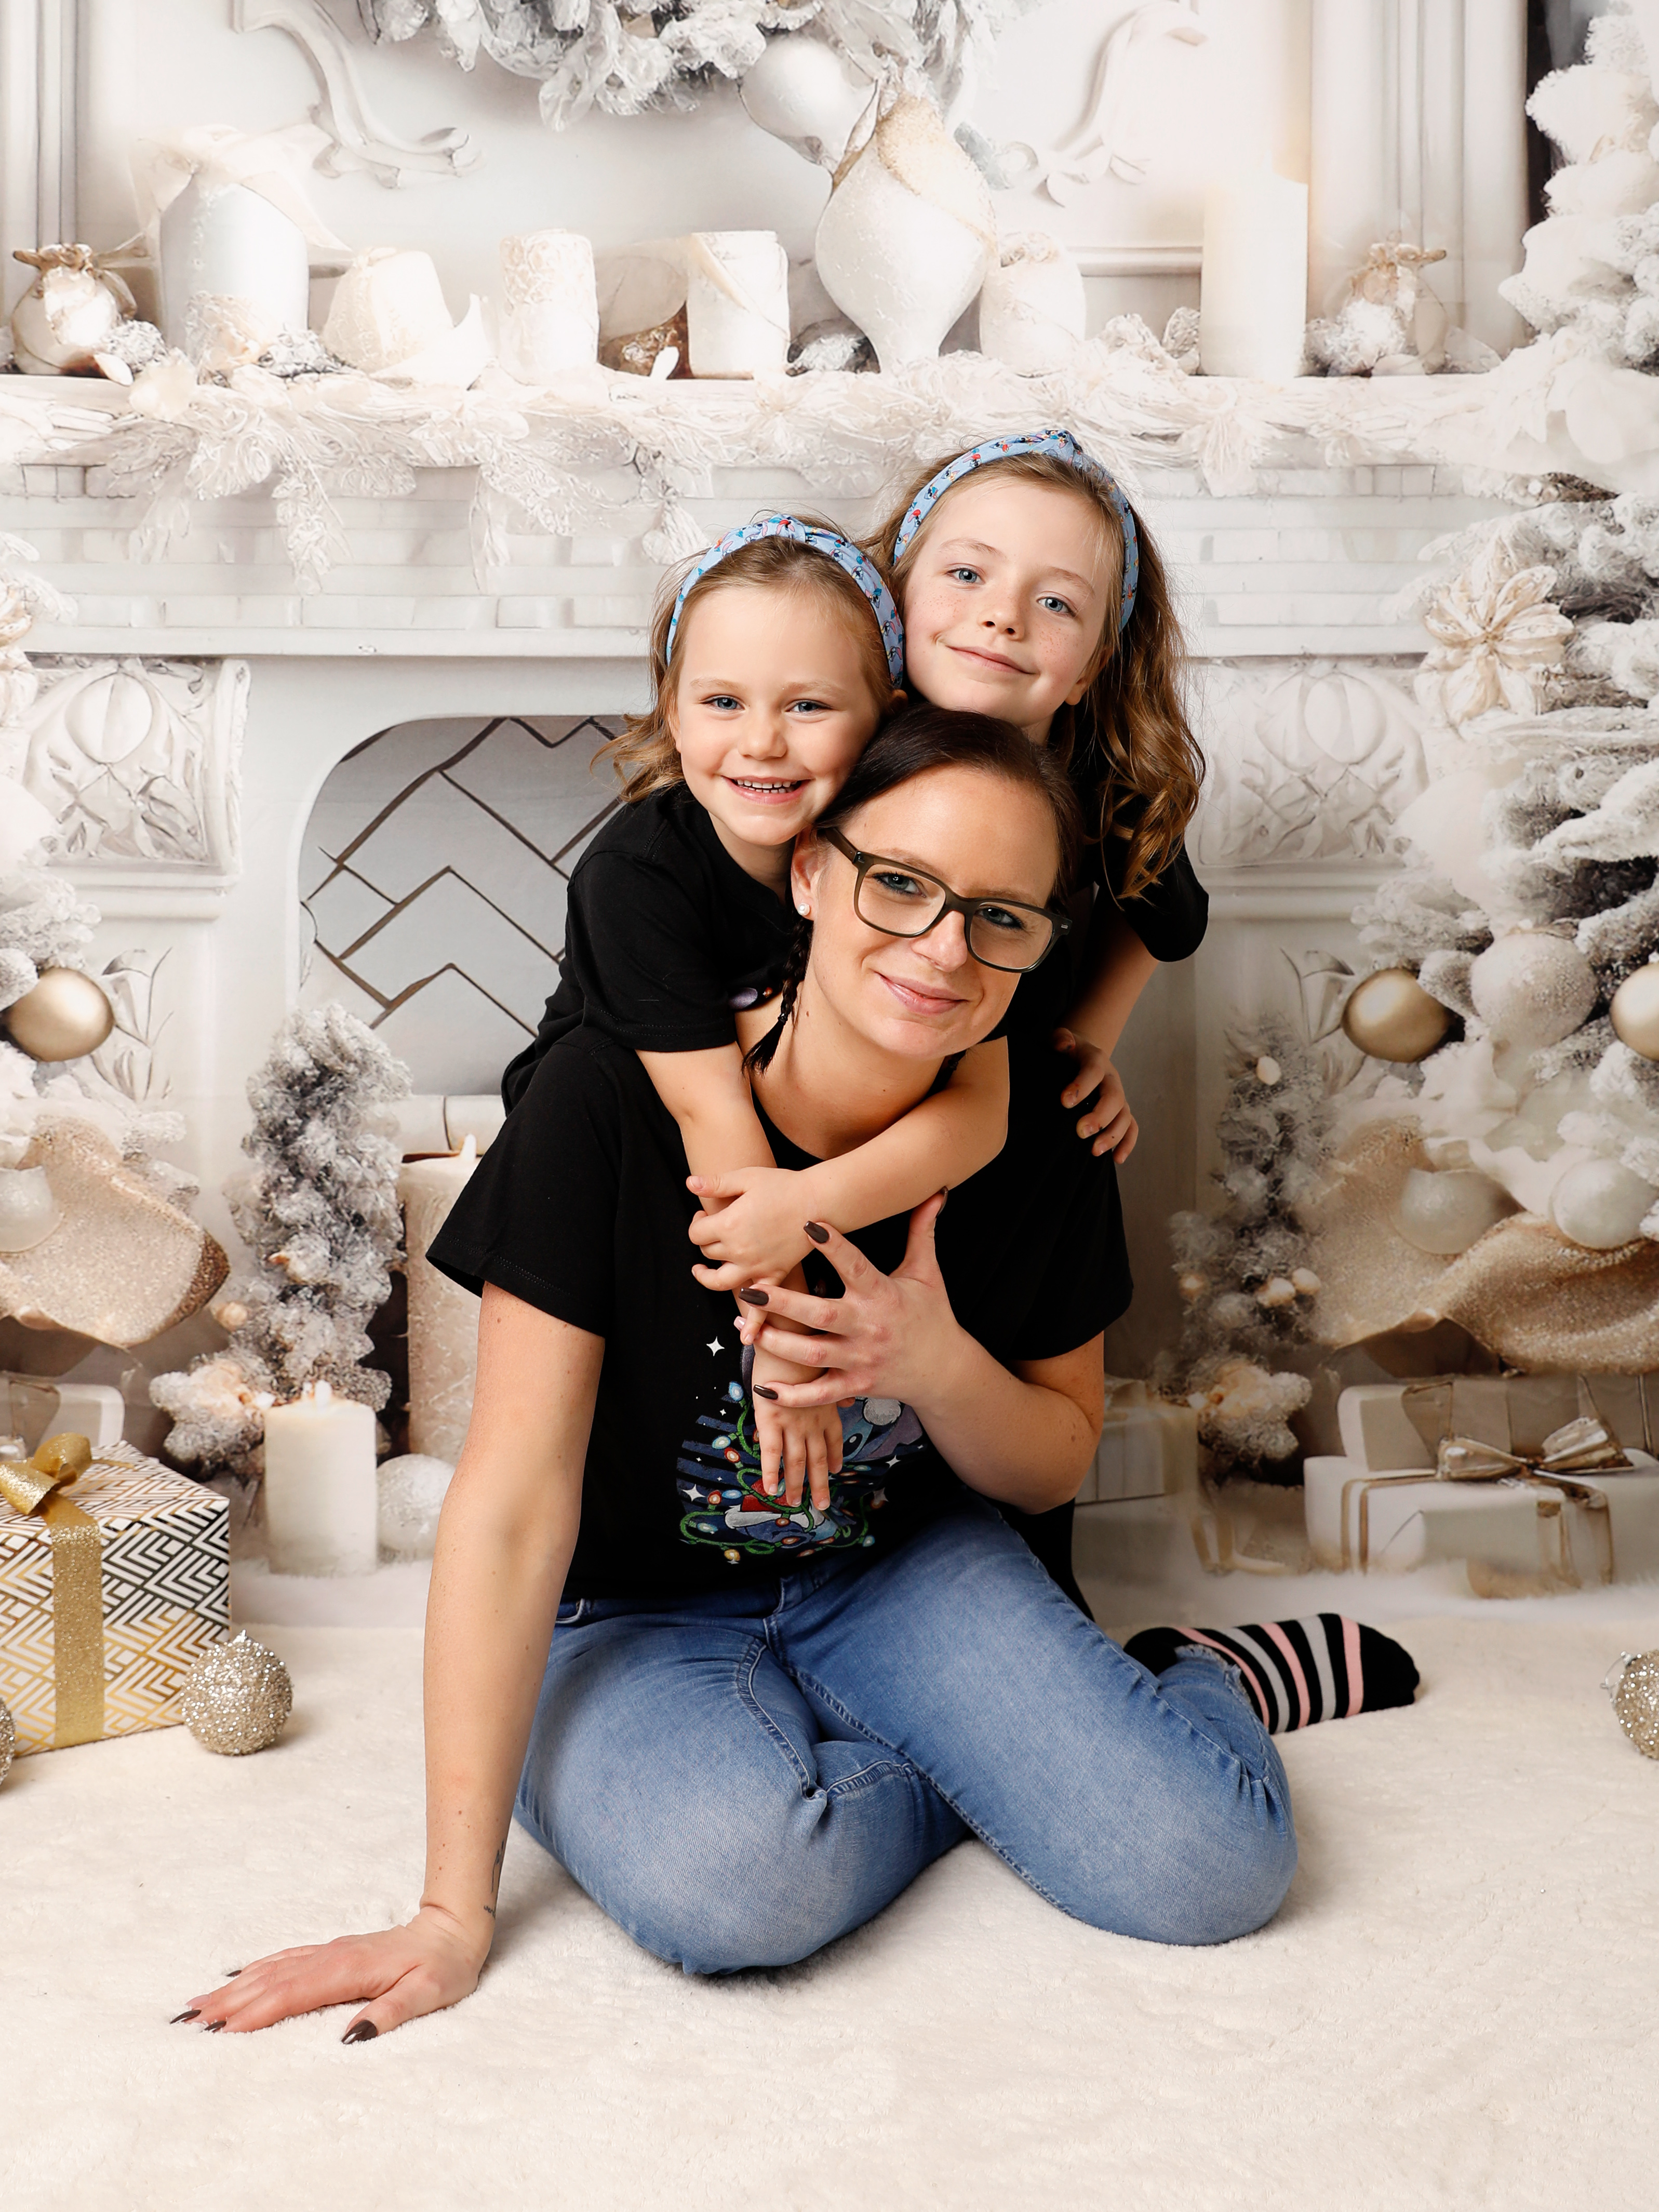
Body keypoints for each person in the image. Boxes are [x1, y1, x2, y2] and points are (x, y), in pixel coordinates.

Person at [175, 709, 1320, 2042]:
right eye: (900, 883)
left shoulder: (1044, 1135)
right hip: (627, 1610)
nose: (944, 948)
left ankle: (1183, 1675)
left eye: (1001, 916)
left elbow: (1054, 1461)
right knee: (737, 1887)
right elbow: (512, 1501)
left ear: (1040, 943)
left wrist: (932, 1362)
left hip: (904, 1571)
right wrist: (447, 1911)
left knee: (1207, 1867)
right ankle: (984, 1757)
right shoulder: (604, 1097)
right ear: (814, 873)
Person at [500, 515, 1012, 1503]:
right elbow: (711, 1112)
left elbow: (982, 1105)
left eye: (808, 704)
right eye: (722, 701)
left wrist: (814, 1205)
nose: (762, 741)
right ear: (672, 709)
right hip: (656, 1151)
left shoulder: (905, 866)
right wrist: (784, 1349)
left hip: (798, 1163)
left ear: (886, 714)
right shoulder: (636, 875)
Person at [865, 428, 1208, 1167]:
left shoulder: (1100, 784)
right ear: (896, 594)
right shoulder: (833, 742)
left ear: (1089, 668)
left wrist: (1084, 1039)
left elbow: (1169, 921)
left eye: (1056, 602)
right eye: (966, 573)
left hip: (1013, 1128)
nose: (1004, 616)